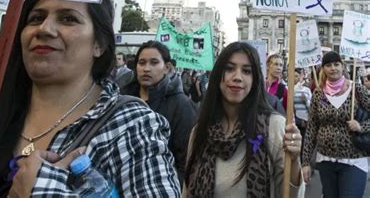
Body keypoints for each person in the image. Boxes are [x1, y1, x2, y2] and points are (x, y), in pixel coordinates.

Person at [0, 0, 181, 197]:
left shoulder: (132, 124)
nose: (44, 29)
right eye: (35, 18)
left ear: (99, 44)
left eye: (68, 19)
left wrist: (46, 191)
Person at [183, 42, 304, 197]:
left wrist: (294, 162)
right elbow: (187, 190)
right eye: (229, 69)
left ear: (255, 79)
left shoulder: (273, 127)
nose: (238, 77)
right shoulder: (200, 131)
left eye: (247, 71)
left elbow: (290, 194)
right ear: (218, 74)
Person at [121, 41, 197, 185]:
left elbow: (186, 162)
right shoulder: (122, 100)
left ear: (167, 68)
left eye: (154, 63)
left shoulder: (182, 105)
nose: (146, 69)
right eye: (141, 63)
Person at [302, 51, 370, 198]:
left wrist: (361, 127)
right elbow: (311, 128)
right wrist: (305, 162)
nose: (333, 68)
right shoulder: (319, 94)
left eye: (336, 64)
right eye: (328, 65)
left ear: (342, 66)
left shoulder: (357, 89)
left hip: (354, 159)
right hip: (326, 160)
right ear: (323, 69)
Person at [293, 68, 311, 142]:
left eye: (297, 76)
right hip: (293, 121)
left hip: (303, 122)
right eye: (294, 76)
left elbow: (311, 107)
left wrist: (306, 101)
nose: (296, 78)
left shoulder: (306, 90)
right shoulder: (287, 89)